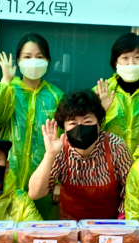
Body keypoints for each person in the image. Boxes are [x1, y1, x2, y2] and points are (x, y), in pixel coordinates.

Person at [0, 33, 63, 218]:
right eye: (27, 57)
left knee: (40, 231)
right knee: (7, 230)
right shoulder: (8, 90)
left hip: (44, 182)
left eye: (39, 57)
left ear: (47, 60)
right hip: (7, 179)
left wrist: (58, 182)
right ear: (18, 60)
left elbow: (64, 143)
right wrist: (5, 81)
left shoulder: (56, 96)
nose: (33, 62)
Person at [28, 91, 133, 220]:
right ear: (64, 129)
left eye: (87, 121)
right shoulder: (60, 150)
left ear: (99, 124)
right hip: (70, 226)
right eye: (72, 123)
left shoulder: (116, 147)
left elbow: (130, 191)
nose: (80, 127)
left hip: (109, 226)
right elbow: (35, 193)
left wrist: (120, 223)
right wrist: (50, 154)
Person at [94, 33, 139, 155]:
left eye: (137, 57)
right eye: (125, 58)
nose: (132, 63)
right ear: (115, 62)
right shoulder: (101, 92)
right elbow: (87, 132)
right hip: (108, 161)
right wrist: (100, 112)